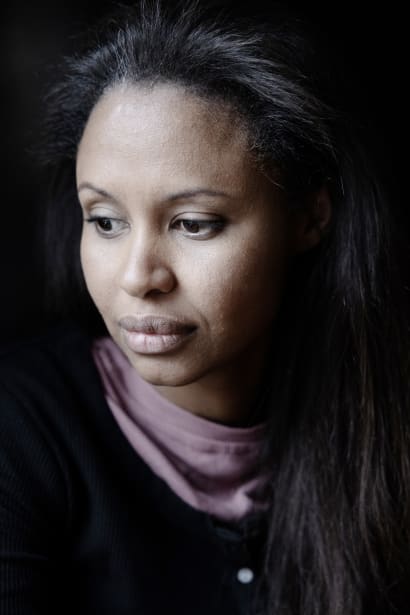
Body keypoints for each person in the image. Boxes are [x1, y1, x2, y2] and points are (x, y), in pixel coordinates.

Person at [1, 1, 408, 613]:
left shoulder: (382, 426)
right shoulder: (20, 434)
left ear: (309, 217)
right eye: (105, 221)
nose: (138, 277)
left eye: (193, 223)